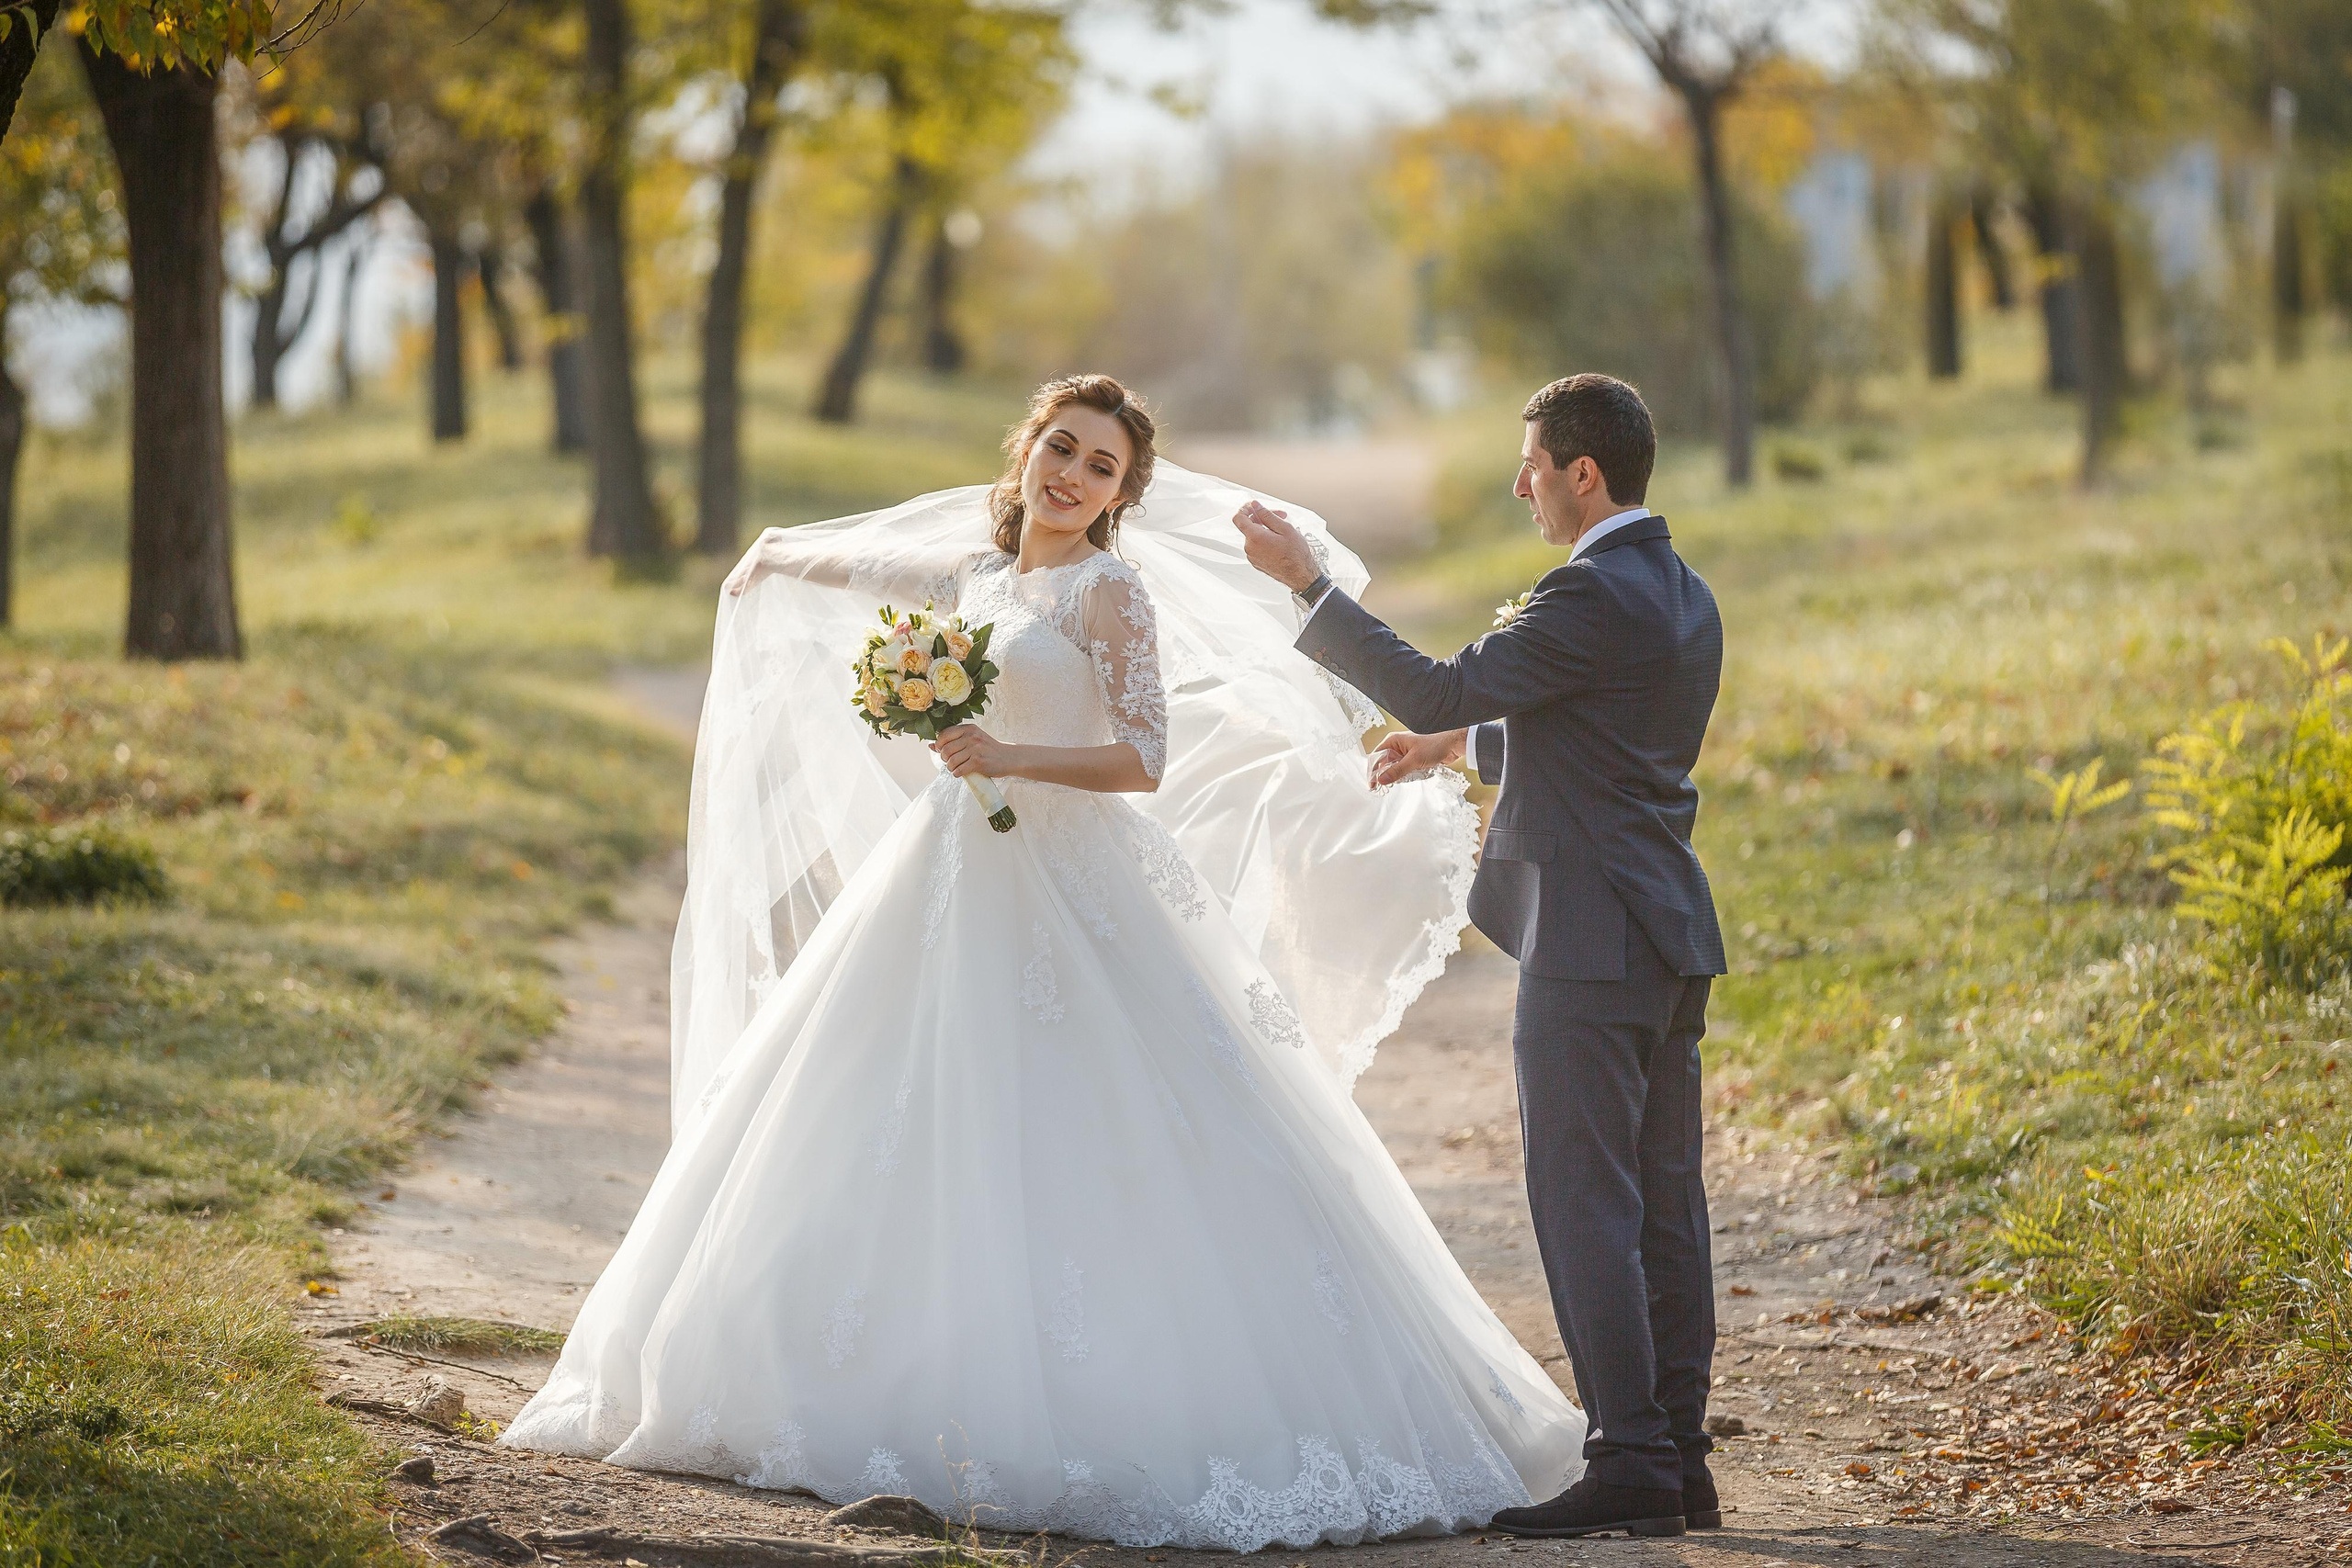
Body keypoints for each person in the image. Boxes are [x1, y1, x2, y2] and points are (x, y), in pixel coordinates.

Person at [502, 374, 1586, 1549]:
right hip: (951, 862)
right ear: (1025, 452)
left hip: (1077, 874)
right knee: (879, 1096)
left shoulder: (1109, 591)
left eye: (1099, 468)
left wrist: (1008, 749)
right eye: (1059, 449)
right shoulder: (978, 575)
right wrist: (776, 557)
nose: (1070, 476)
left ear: (1120, 498)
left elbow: (1143, 759)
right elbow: (877, 575)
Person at [1232, 373, 1726, 1541]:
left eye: (1532, 466)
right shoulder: (1680, 591)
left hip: (1591, 941)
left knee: (1581, 1201)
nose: (1520, 486)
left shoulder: (1583, 594)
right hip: (1662, 932)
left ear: (1582, 474)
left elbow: (1431, 677)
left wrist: (1309, 582)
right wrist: (1467, 742)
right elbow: (1602, 734)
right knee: (1664, 1202)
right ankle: (1679, 1460)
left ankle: (1630, 1460)